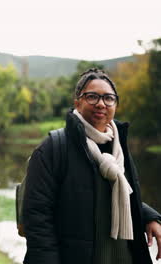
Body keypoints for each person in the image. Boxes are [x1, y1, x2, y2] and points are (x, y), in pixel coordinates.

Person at [22, 68, 161, 264]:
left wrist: (149, 216)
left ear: (115, 104)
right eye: (92, 97)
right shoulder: (53, 148)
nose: (101, 104)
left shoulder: (119, 147)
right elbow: (37, 218)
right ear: (77, 102)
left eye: (108, 98)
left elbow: (117, 193)